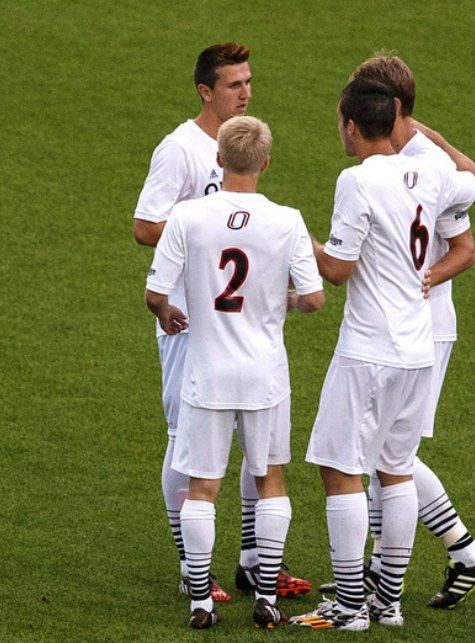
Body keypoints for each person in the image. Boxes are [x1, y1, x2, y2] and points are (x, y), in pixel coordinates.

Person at [290, 77, 475, 632]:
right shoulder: (430, 171)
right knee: (395, 467)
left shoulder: (356, 181)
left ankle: (350, 606)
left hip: (370, 347)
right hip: (417, 348)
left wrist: (294, 236)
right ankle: (389, 602)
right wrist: (436, 136)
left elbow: (337, 269)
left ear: (351, 126)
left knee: (339, 468)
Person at [132, 41, 311, 606]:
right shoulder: (179, 150)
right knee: (186, 446)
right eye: (235, 85)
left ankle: (257, 564)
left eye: (250, 82)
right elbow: (144, 225)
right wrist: (208, 239)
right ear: (206, 92)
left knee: (251, 445)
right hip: (190, 324)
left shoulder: (239, 146)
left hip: (227, 323)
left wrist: (218, 234)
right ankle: (192, 568)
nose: (247, 93)